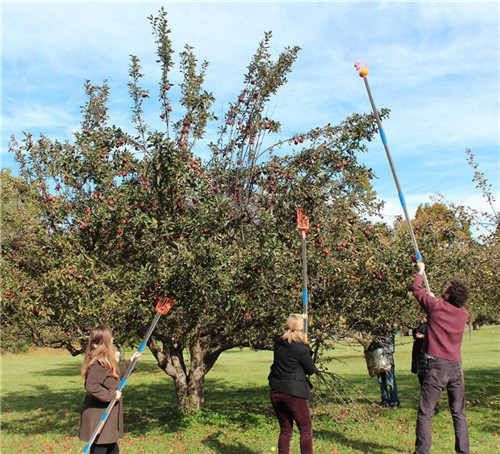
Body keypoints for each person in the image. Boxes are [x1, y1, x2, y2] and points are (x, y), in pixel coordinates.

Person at [412, 262, 470, 454]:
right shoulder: (463, 314)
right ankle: (463, 451)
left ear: (448, 294)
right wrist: (435, 301)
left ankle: (422, 452)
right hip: (456, 368)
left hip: (435, 366)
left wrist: (420, 272)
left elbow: (415, 288)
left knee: (425, 413)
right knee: (458, 413)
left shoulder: (435, 307)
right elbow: (443, 310)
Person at [78, 325, 141, 454]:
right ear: (98, 344)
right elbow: (91, 387)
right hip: (99, 417)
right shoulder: (98, 363)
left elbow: (115, 378)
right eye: (109, 339)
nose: (112, 341)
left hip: (108, 419)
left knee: (112, 449)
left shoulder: (106, 361)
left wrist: (131, 362)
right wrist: (112, 395)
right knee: (102, 449)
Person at [268, 314, 318, 454]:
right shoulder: (301, 349)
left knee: (285, 430)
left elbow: (281, 334)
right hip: (293, 393)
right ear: (300, 329)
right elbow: (311, 370)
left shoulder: (278, 341)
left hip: (276, 391)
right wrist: (307, 346)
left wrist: (300, 319)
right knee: (305, 429)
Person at [411, 318, 439, 414]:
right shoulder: (418, 326)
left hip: (427, 357)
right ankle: (427, 406)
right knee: (423, 384)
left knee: (429, 385)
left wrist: (423, 336)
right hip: (419, 358)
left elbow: (435, 337)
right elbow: (414, 336)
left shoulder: (432, 324)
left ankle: (434, 407)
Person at [370, 331, 400, 409]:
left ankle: (394, 401)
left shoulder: (388, 328)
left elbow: (390, 343)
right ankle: (385, 400)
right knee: (381, 379)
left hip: (387, 354)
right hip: (377, 354)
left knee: (390, 379)